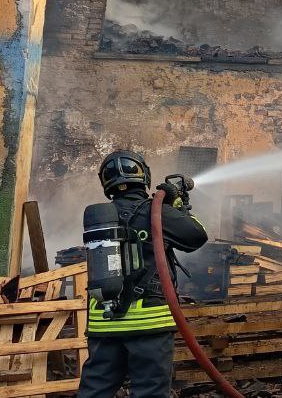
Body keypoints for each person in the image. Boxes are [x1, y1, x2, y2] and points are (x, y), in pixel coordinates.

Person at [78, 150, 208, 398]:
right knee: (150, 392)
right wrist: (178, 207)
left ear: (106, 182)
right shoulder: (157, 212)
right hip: (149, 324)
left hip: (104, 323)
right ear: (144, 176)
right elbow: (197, 235)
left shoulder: (99, 219)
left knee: (95, 391)